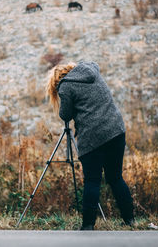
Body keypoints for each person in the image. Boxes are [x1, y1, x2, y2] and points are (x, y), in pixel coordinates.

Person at [46, 61, 134, 230]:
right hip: (116, 130)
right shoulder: (93, 70)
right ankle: (129, 220)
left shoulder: (65, 86)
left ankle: (88, 226)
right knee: (115, 177)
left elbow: (65, 115)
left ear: (57, 81)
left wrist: (63, 95)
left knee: (92, 180)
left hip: (92, 137)